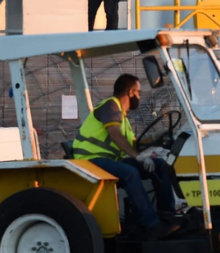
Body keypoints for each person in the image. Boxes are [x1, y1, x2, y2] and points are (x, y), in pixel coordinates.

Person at [72, 74, 181, 240]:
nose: (139, 96)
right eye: (138, 92)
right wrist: (138, 157)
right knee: (130, 172)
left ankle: (166, 215)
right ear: (130, 92)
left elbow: (133, 145)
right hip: (90, 161)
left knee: (160, 165)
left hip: (108, 161)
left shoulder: (122, 117)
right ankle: (152, 225)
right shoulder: (111, 106)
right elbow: (115, 135)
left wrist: (159, 137)